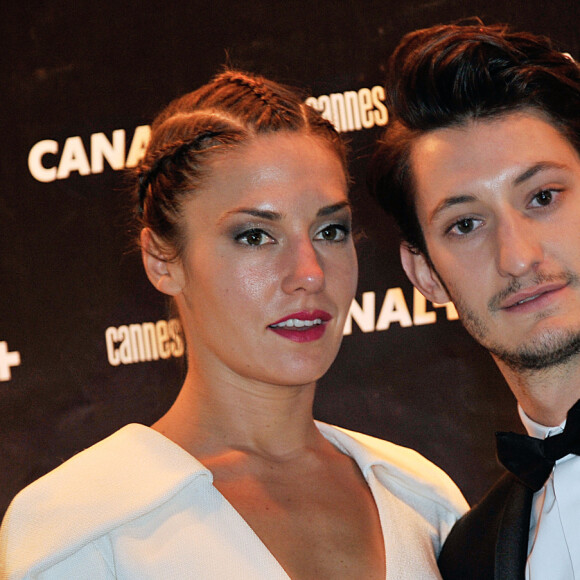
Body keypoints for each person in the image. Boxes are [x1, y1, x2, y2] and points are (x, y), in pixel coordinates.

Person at [0, 69, 466, 579]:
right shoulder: (82, 526)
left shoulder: (422, 498)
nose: (309, 273)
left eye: (330, 230)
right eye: (254, 236)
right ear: (162, 260)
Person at [369, 20, 580, 580]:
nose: (516, 256)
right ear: (426, 274)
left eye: (543, 197)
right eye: (465, 224)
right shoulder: (469, 554)